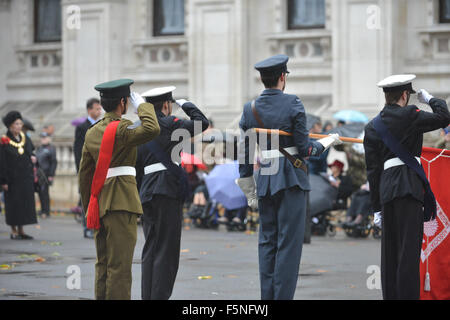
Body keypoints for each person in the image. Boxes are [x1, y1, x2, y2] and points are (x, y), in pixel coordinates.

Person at [237, 54, 342, 300]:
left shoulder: (249, 109)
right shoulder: (293, 103)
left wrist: (247, 186)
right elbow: (306, 150)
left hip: (264, 178)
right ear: (282, 78)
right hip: (290, 177)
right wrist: (327, 141)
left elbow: (244, 152)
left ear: (263, 80)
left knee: (267, 242)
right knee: (288, 245)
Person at [364, 74, 450, 300]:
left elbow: (372, 171)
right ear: (405, 95)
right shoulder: (412, 115)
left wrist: (376, 208)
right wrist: (430, 99)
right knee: (408, 255)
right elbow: (444, 117)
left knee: (390, 255)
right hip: (410, 187)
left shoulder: (372, 126)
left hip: (386, 191)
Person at [78, 79, 160, 300]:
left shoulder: (92, 132)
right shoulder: (122, 129)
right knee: (120, 267)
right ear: (123, 102)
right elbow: (152, 128)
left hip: (100, 203)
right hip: (122, 202)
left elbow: (85, 174)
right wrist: (143, 106)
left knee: (103, 264)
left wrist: (90, 207)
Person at [135, 86, 209, 300]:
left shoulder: (139, 128)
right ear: (167, 105)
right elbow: (202, 122)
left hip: (147, 191)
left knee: (150, 248)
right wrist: (185, 103)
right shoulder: (169, 123)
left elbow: (137, 166)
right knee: (166, 251)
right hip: (166, 190)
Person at [0, 111, 37, 239]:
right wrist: (3, 181)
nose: (19, 126)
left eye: (21, 123)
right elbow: (2, 162)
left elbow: (31, 153)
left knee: (24, 204)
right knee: (13, 204)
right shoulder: (4, 141)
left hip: (25, 178)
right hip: (12, 179)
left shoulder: (25, 138)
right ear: (10, 126)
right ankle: (13, 230)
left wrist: (33, 158)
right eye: (16, 124)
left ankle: (21, 230)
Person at [74, 98, 103, 239]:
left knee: (98, 198)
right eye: (97, 108)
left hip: (100, 168)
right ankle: (87, 227)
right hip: (87, 168)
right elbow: (77, 150)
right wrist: (80, 169)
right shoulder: (81, 127)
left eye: (100, 108)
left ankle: (96, 225)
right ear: (89, 110)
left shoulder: (102, 125)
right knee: (86, 198)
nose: (99, 111)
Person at [35, 132, 57, 219]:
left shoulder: (51, 148)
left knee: (44, 193)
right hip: (39, 174)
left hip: (46, 174)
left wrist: (51, 175)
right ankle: (42, 209)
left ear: (48, 138)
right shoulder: (39, 148)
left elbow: (53, 163)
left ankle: (46, 211)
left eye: (44, 137)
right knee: (40, 193)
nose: (43, 139)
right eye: (42, 137)